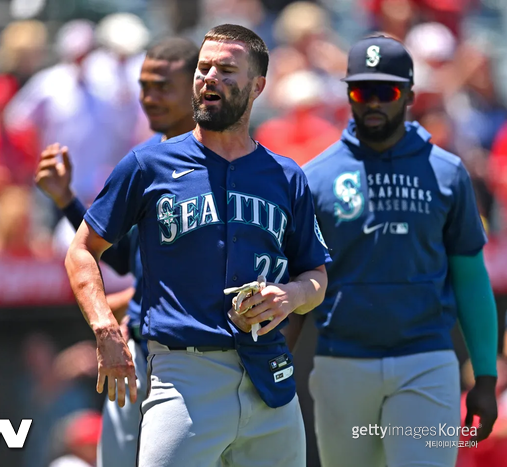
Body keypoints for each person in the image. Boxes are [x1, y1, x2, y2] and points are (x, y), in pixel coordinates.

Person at [65, 24, 330, 467]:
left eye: (227, 70)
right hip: (184, 378)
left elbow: (316, 276)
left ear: (257, 85)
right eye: (203, 68)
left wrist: (292, 295)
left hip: (271, 380)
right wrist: (106, 330)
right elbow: (81, 250)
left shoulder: (286, 175)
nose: (209, 77)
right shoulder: (149, 164)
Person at [301, 34, 499, 467]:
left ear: (409, 94)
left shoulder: (448, 173)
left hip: (425, 363)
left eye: (385, 91)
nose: (372, 102)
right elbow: (298, 281)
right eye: (360, 91)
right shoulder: (313, 178)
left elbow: (470, 277)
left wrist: (485, 376)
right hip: (341, 364)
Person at [35, 36, 199, 467]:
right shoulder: (145, 161)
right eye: (145, 86)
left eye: (164, 85)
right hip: (143, 352)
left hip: (203, 361)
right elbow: (125, 259)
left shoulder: (229, 164)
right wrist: (67, 200)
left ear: (198, 89)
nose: (150, 97)